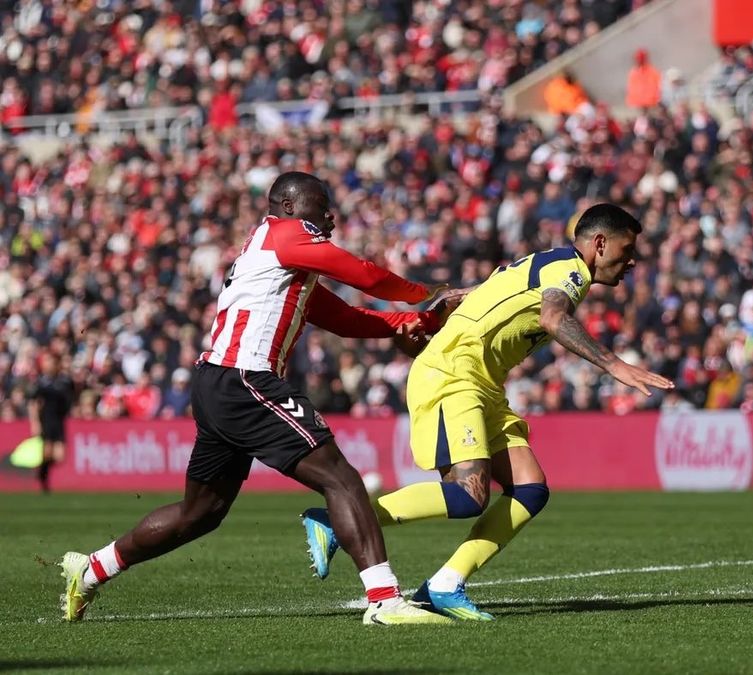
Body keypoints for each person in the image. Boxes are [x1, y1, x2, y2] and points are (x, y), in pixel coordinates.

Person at [59, 171, 461, 626]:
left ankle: (92, 568)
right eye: (319, 204)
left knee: (200, 513)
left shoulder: (279, 260)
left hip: (219, 383)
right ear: (288, 207)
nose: (329, 214)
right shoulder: (286, 235)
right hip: (245, 380)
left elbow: (343, 317)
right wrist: (427, 293)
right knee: (341, 479)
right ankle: (385, 601)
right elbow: (363, 275)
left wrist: (418, 322)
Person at [300, 203, 675, 620]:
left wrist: (449, 304)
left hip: (482, 382)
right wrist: (613, 364)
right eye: (626, 249)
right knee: (467, 494)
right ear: (600, 243)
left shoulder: (545, 263)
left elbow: (474, 296)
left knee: (530, 488)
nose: (632, 260)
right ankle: (338, 520)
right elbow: (553, 317)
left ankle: (444, 585)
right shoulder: (570, 271)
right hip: (454, 374)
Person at [29, 354, 73, 493]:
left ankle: (42, 471)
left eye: (53, 363)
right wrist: (35, 422)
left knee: (60, 456)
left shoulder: (64, 382)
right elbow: (34, 403)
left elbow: (69, 400)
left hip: (59, 422)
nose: (50, 366)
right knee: (47, 452)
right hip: (46, 421)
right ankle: (43, 477)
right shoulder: (42, 383)